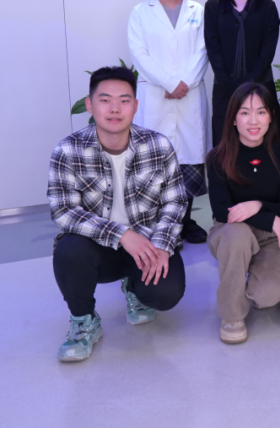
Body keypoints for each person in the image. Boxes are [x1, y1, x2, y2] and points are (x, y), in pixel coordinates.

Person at [48, 66, 187, 362]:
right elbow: (63, 210)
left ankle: (135, 288)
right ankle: (84, 321)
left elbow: (175, 202)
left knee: (165, 293)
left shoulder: (158, 146)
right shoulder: (68, 150)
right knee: (69, 251)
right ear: (90, 105)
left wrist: (162, 246)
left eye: (124, 101)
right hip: (97, 249)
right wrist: (122, 234)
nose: (114, 109)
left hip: (147, 244)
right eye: (105, 100)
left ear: (135, 106)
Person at [127, 0, 210, 244]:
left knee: (189, 159)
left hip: (190, 94)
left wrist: (184, 82)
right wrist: (171, 82)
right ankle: (161, 224)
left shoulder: (198, 11)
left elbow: (203, 49)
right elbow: (139, 55)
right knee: (156, 161)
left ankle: (185, 221)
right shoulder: (140, 13)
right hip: (156, 95)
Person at [206, 82, 280, 344]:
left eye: (261, 112)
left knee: (267, 296)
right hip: (230, 232)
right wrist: (268, 216)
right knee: (237, 236)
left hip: (272, 235)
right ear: (233, 119)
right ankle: (232, 314)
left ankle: (246, 275)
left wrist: (258, 205)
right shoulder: (218, 157)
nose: (253, 120)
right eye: (245, 112)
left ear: (270, 116)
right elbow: (222, 211)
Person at [204, 0, 280, 147]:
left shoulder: (267, 7)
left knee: (267, 146)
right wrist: (230, 85)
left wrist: (249, 82)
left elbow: (268, 51)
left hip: (261, 86)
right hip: (224, 89)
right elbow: (213, 50)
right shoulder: (213, 7)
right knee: (225, 148)